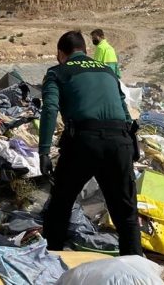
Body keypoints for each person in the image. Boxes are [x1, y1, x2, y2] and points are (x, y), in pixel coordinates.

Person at [38, 30, 142, 256]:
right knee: (126, 213)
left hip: (83, 143)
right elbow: (125, 112)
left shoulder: (57, 72)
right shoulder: (107, 71)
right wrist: (133, 146)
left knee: (61, 205)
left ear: (60, 54)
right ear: (86, 51)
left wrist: (44, 151)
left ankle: (50, 259)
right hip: (120, 142)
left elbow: (49, 109)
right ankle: (136, 268)